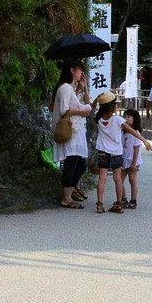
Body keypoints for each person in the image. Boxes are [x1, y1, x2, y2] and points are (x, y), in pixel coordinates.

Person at [93, 93, 152, 213]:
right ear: (112, 107)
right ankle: (119, 204)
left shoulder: (99, 119)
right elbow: (131, 130)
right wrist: (144, 141)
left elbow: (92, 107)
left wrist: (96, 99)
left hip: (103, 152)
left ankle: (99, 205)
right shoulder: (117, 120)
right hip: (116, 153)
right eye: (115, 105)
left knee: (102, 178)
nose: (116, 107)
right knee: (117, 178)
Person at [52, 60, 96, 209]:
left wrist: (81, 89)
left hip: (75, 130)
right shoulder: (65, 88)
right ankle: (66, 198)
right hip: (71, 130)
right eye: (79, 70)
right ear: (72, 70)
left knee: (80, 164)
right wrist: (81, 112)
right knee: (73, 164)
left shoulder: (69, 88)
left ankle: (68, 194)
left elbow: (73, 103)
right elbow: (65, 109)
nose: (81, 73)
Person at [120, 108, 144, 209]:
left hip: (133, 160)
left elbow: (137, 150)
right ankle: (123, 198)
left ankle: (133, 200)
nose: (126, 119)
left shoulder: (136, 133)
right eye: (125, 116)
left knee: (132, 180)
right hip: (124, 160)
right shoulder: (124, 133)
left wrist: (134, 164)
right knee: (119, 180)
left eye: (129, 117)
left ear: (135, 119)